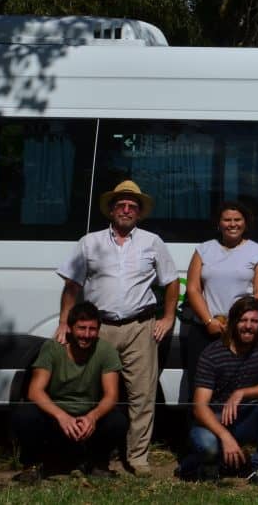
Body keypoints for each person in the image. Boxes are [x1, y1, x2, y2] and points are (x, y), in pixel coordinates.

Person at [54, 179, 178, 475]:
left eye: (132, 206)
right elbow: (72, 286)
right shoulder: (90, 242)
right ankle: (92, 456)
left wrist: (168, 317)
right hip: (99, 330)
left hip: (140, 327)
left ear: (139, 212)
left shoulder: (152, 242)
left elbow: (171, 282)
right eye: (120, 205)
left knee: (142, 395)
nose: (126, 209)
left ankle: (138, 459)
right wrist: (63, 324)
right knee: (91, 392)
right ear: (111, 210)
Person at [12, 301, 127, 482]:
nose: (87, 335)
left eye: (92, 329)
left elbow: (112, 395)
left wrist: (93, 417)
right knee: (25, 415)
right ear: (70, 328)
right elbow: (34, 391)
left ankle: (98, 464)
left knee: (117, 420)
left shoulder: (106, 351)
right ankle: (32, 466)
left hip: (88, 420)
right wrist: (61, 416)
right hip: (55, 418)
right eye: (81, 328)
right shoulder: (52, 348)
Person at [178, 296, 258, 486]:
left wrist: (241, 393)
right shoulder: (212, 353)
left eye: (254, 321)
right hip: (212, 422)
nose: (248, 326)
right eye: (243, 320)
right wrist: (225, 436)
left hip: (243, 417)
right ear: (233, 322)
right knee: (208, 446)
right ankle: (199, 464)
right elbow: (199, 407)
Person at [182, 202, 258, 395]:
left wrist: (237, 323)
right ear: (219, 224)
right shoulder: (204, 250)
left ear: (245, 223)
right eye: (227, 220)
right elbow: (193, 289)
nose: (232, 224)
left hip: (242, 331)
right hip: (207, 329)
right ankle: (200, 424)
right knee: (199, 386)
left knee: (238, 386)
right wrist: (208, 321)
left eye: (237, 220)